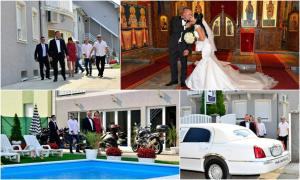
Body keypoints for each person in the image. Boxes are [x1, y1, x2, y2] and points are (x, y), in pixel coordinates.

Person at [185, 13, 277, 90]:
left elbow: (203, 38)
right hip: (206, 46)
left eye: (192, 17)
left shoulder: (197, 26)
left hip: (205, 46)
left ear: (196, 19)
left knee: (206, 62)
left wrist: (194, 38)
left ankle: (211, 81)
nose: (190, 19)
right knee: (207, 62)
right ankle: (208, 79)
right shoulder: (198, 25)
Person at [166, 7, 194, 88]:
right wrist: (186, 26)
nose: (190, 16)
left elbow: (190, 37)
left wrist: (188, 49)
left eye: (191, 14)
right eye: (189, 14)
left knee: (184, 64)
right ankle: (174, 80)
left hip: (183, 47)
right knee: (172, 63)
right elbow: (175, 30)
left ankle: (183, 81)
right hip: (173, 46)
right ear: (184, 13)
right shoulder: (174, 19)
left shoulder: (190, 24)